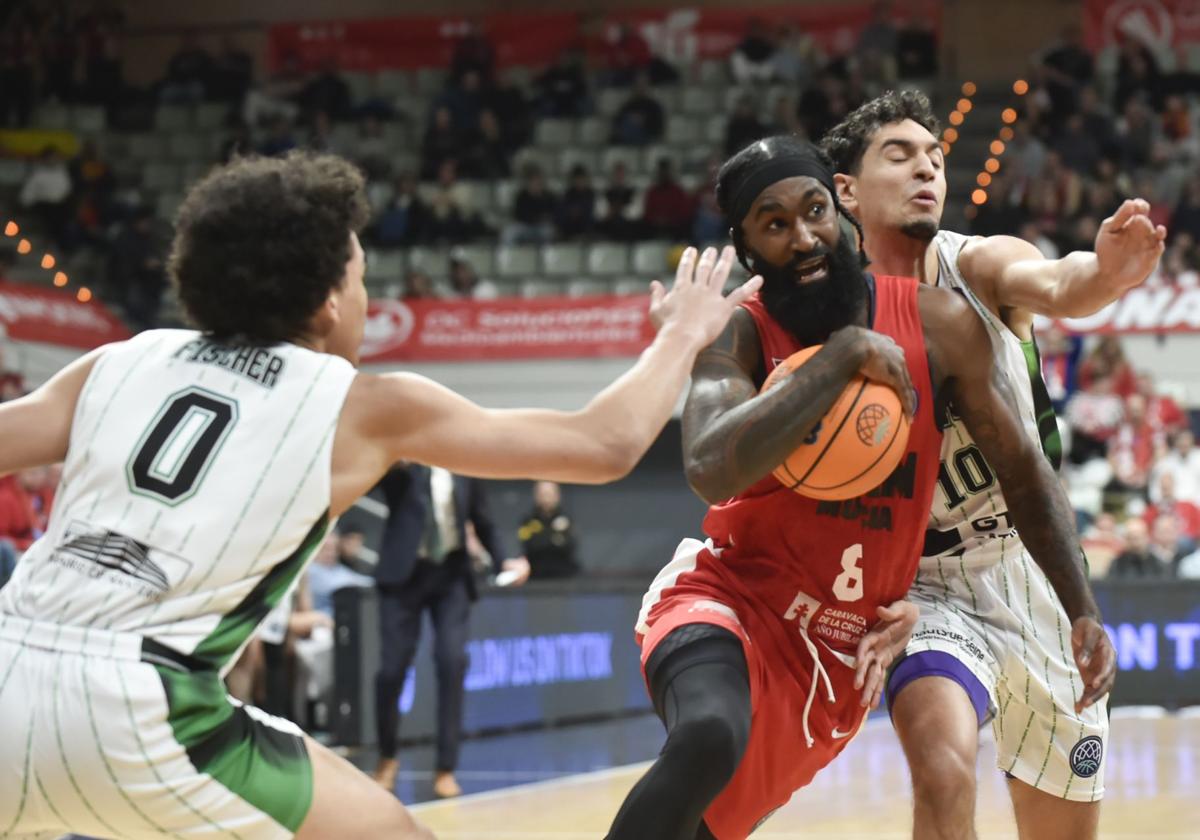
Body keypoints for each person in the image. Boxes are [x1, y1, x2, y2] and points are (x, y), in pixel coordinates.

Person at [0, 151, 760, 840]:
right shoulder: (362, 404)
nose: (366, 298)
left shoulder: (120, 360)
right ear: (330, 299)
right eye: (362, 278)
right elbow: (604, 444)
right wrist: (683, 335)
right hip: (147, 710)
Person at [605, 137, 1111, 840]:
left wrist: (1078, 602)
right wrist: (840, 360)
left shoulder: (938, 324)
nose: (804, 237)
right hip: (731, 598)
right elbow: (709, 466)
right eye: (774, 224)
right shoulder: (741, 336)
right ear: (748, 249)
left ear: (841, 212)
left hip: (834, 651)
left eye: (813, 211)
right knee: (708, 737)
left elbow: (1023, 472)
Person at [822, 89, 1160, 840]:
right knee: (942, 772)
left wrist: (1105, 275)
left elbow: (1057, 282)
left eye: (935, 159)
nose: (926, 171)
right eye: (900, 155)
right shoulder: (821, 312)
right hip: (919, 587)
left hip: (1029, 563)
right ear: (846, 190)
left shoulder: (974, 265)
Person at [371, 464, 513, 799]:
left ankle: (446, 768)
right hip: (403, 577)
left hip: (451, 576)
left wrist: (504, 560)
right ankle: (387, 757)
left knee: (452, 662)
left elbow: (483, 520)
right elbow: (382, 480)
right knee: (391, 671)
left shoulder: (464, 466)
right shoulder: (404, 466)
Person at [518, 480, 580, 579]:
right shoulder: (528, 521)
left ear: (557, 496)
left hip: (564, 576)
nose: (546, 498)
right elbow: (529, 545)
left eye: (549, 494)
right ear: (536, 495)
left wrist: (542, 536)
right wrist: (554, 535)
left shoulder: (566, 520)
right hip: (535, 576)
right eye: (542, 494)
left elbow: (570, 545)